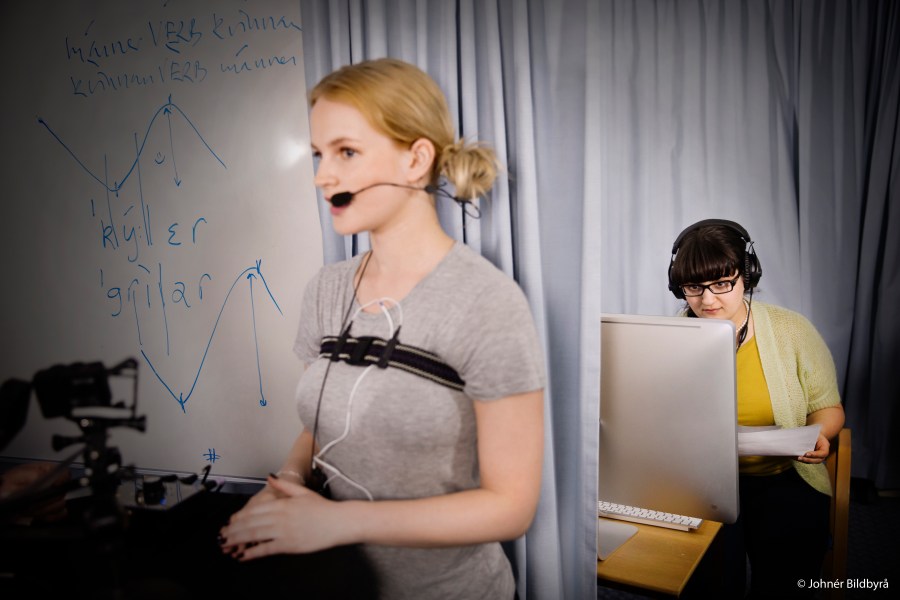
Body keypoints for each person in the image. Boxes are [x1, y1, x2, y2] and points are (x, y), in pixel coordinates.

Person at [219, 58, 546, 599]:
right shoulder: (326, 290)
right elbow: (322, 423)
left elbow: (511, 507)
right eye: (319, 155)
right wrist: (287, 487)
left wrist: (337, 522)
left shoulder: (487, 302)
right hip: (342, 584)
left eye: (346, 152)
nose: (323, 176)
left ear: (416, 159)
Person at [667, 219, 845, 598]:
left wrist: (819, 435)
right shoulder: (666, 339)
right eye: (694, 287)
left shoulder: (792, 329)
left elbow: (828, 408)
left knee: (786, 583)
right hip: (702, 483)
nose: (707, 300)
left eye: (721, 283)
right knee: (706, 585)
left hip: (783, 475)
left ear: (747, 276)